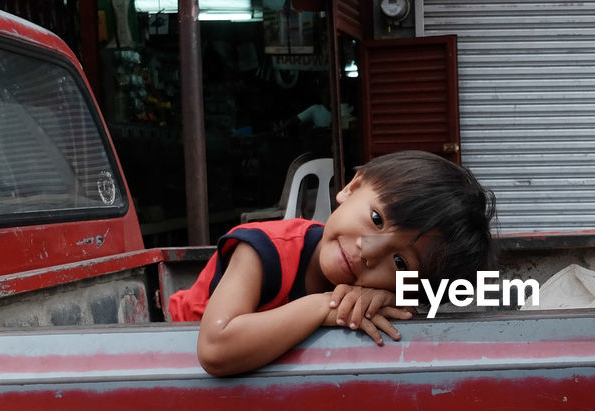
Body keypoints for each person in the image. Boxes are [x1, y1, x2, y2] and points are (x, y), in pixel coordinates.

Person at [170, 150, 495, 376]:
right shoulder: (263, 249)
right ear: (351, 188)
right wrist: (325, 306)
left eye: (399, 260)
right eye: (376, 219)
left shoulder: (378, 292)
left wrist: (388, 300)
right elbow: (215, 349)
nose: (369, 251)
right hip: (173, 362)